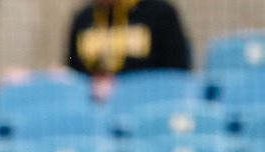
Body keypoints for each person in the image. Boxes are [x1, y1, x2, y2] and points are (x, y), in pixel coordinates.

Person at [64, 0, 192, 101]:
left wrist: (122, 88)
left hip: (147, 105)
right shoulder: (83, 18)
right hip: (97, 107)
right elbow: (73, 73)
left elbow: (177, 76)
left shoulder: (161, 13)